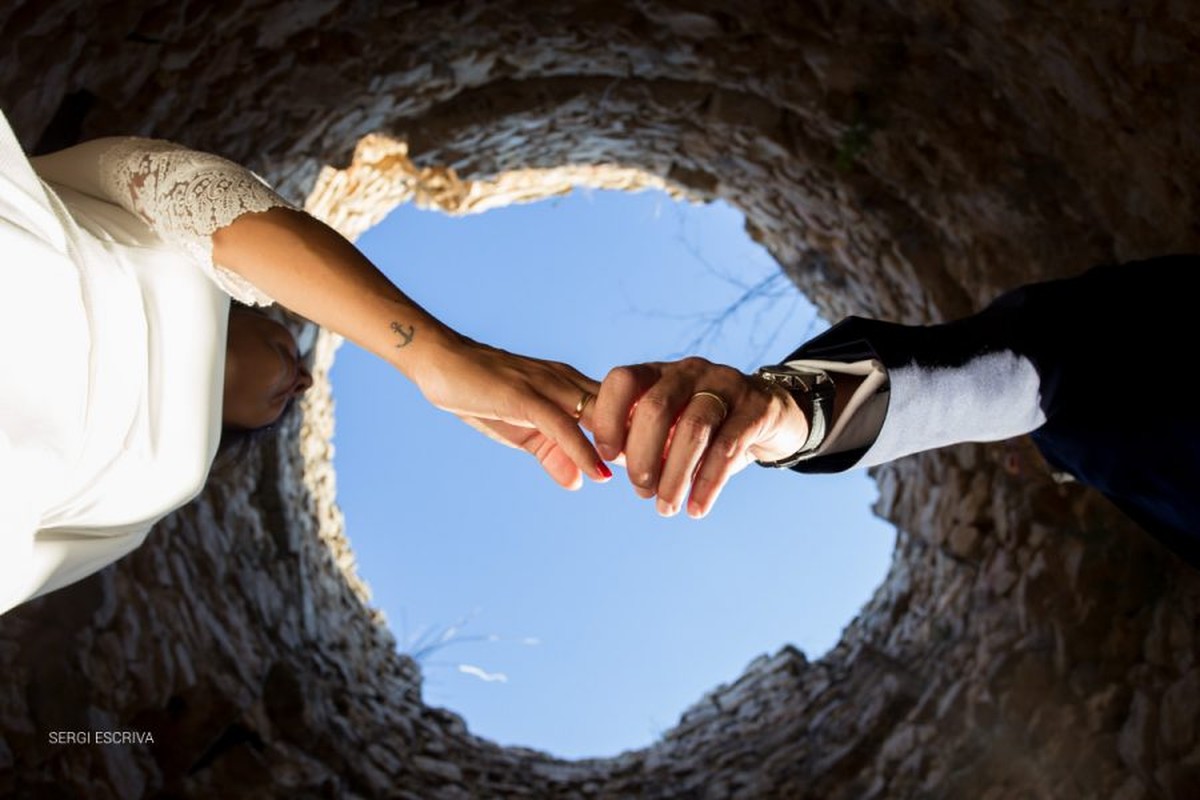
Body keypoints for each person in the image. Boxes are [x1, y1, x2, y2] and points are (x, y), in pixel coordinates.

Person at [0, 110, 610, 616]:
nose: (306, 380)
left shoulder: (145, 513)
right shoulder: (188, 250)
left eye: (286, 406)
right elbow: (200, 199)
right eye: (296, 344)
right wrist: (436, 355)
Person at [586, 257, 1200, 568]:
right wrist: (793, 415)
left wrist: (794, 405)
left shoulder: (1093, 401)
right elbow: (1032, 369)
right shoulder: (1087, 444)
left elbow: (1040, 357)